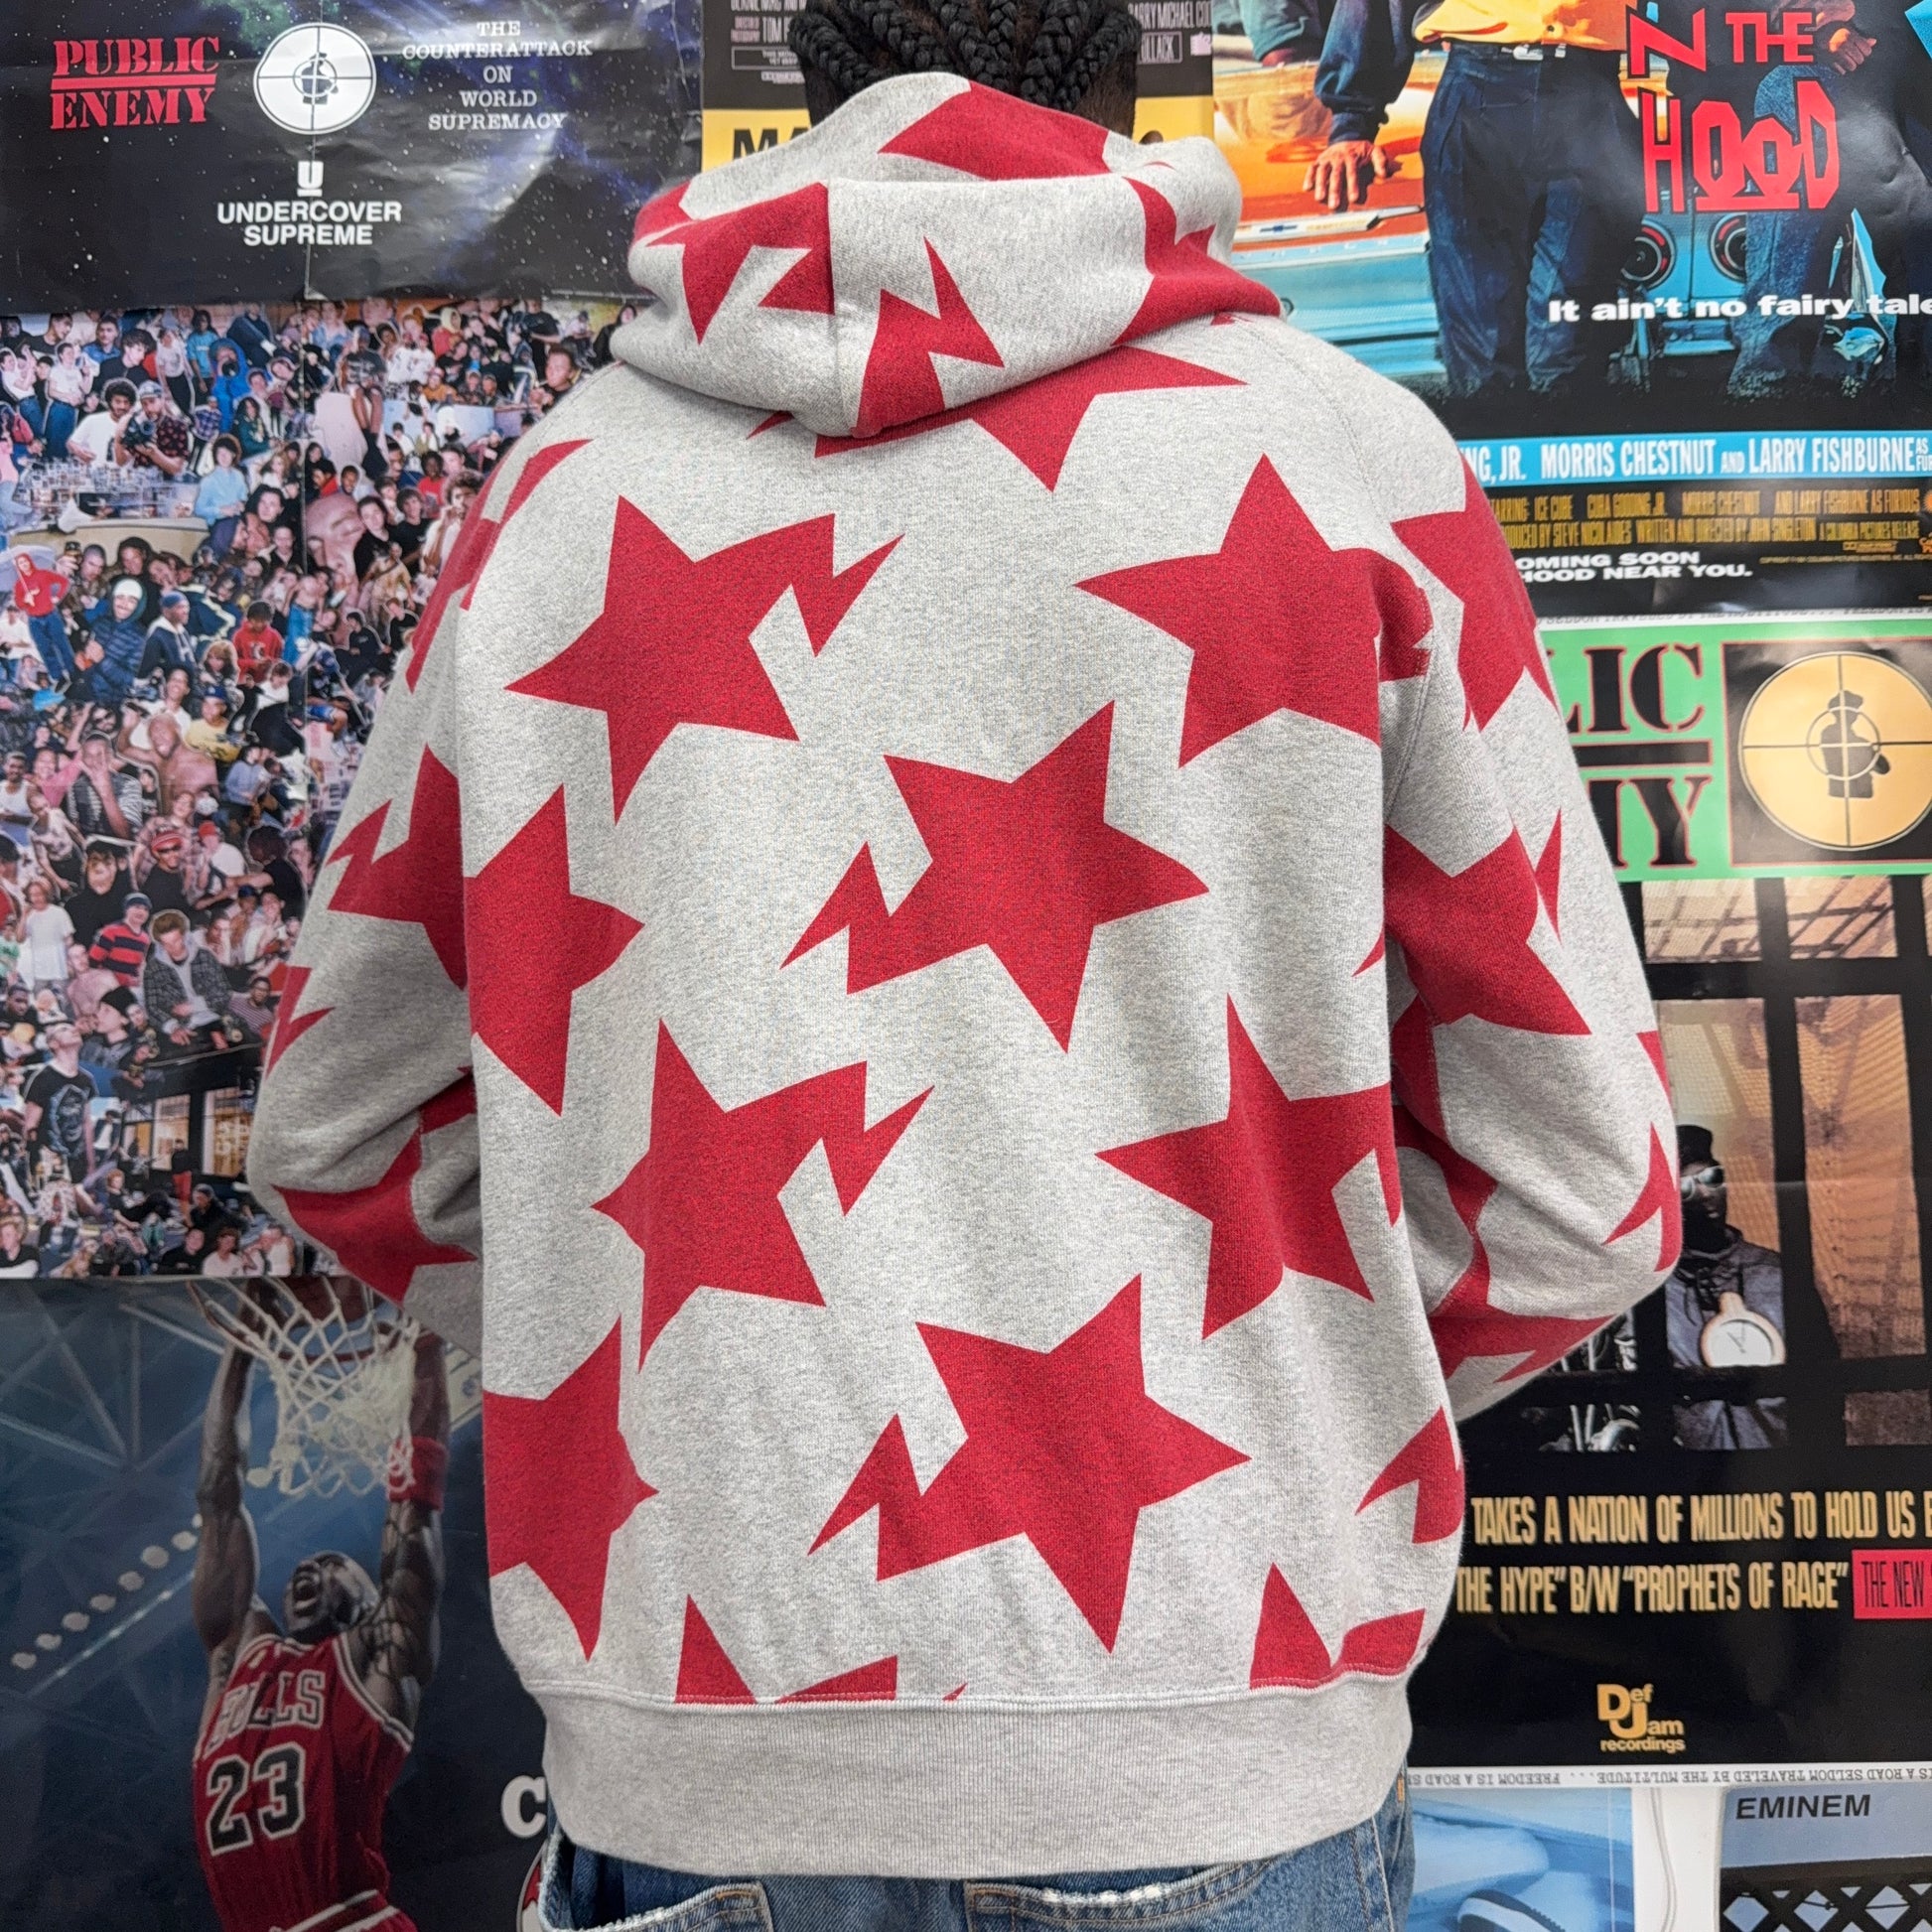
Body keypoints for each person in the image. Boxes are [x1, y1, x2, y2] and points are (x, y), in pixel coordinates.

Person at [245, 12, 1677, 1918]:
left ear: (800, 54)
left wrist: (694, 1363)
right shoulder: (1347, 465)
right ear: (1132, 61)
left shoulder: (559, 498)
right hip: (1223, 1729)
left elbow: (340, 1129)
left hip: (694, 1768)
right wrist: (1280, 1378)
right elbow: (1585, 1197)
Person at [192, 1320, 447, 1932]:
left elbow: (413, 1520)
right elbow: (218, 1498)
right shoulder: (240, 1655)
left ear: (369, 1600)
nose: (311, 1566)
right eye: (307, 1565)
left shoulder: (376, 1657)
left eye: (335, 1565)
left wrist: (427, 1350)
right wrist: (238, 1349)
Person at [1308, 0, 1643, 399]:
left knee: (1570, 347)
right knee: (1483, 360)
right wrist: (1351, 125)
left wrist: (1701, 98)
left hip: (1593, 99)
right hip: (1476, 97)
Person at [1668, 1124, 1787, 1449]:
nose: (1706, 1194)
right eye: (1686, 1187)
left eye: (1712, 1177)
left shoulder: (1774, 1275)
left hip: (1778, 1461)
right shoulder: (1657, 1294)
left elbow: (1820, 1379)